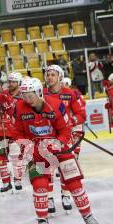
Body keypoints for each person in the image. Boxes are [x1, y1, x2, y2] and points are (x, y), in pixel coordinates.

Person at [15, 77, 101, 224]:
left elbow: (65, 130)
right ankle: (42, 220)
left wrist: (59, 142)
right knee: (40, 186)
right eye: (24, 95)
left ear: (39, 92)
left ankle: (87, 215)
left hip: (59, 150)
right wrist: (26, 147)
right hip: (38, 153)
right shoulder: (20, 108)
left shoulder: (55, 105)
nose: (27, 99)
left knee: (74, 183)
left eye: (30, 95)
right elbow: (18, 133)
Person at [44, 65, 86, 214]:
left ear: (60, 77)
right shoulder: (41, 94)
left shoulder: (70, 93)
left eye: (53, 75)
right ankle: (48, 198)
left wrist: (72, 121)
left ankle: (66, 195)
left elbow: (81, 114)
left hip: (64, 136)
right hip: (47, 137)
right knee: (47, 169)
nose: (49, 77)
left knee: (66, 167)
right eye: (48, 74)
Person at [0, 72, 25, 193]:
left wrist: (9, 103)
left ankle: (17, 179)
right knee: (0, 158)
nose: (10, 84)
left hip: (16, 132)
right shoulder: (2, 94)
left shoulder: (24, 96)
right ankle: (6, 182)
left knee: (17, 157)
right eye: (9, 81)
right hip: (0, 130)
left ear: (19, 83)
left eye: (13, 82)